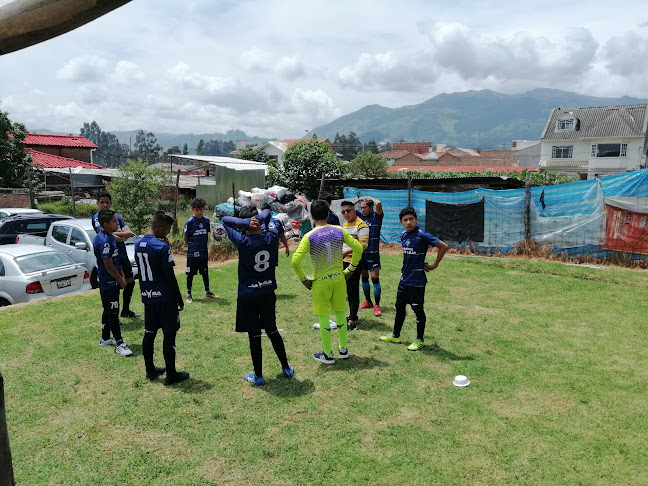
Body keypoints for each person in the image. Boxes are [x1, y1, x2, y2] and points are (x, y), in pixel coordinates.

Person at [222, 207, 294, 386]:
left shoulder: (243, 241)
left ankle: (259, 376)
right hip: (267, 292)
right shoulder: (271, 236)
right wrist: (259, 219)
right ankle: (286, 368)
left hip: (248, 295)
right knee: (272, 329)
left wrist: (245, 222)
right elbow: (269, 211)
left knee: (254, 335)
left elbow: (224, 220)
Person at [291, 200, 364, 364]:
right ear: (329, 212)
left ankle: (327, 354)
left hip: (320, 282)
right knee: (340, 313)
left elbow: (295, 261)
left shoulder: (309, 236)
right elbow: (358, 248)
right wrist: (351, 269)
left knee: (323, 316)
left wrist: (304, 279)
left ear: (311, 216)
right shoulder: (339, 230)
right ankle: (343, 349)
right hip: (339, 278)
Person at [379, 207, 448, 351]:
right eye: (405, 220)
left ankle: (419, 339)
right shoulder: (404, 235)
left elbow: (443, 246)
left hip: (417, 281)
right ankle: (395, 335)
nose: (409, 222)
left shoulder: (422, 234)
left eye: (411, 219)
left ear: (416, 219)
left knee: (418, 310)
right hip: (404, 279)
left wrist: (435, 264)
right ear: (401, 222)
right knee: (399, 307)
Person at [135, 212, 190, 385]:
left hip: (148, 297)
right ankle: (171, 374)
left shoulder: (138, 244)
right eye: (166, 231)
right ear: (160, 228)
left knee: (149, 333)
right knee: (169, 334)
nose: (167, 234)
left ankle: (150, 370)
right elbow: (169, 276)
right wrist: (179, 298)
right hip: (165, 298)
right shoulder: (161, 247)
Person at [92, 192, 139, 319]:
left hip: (122, 253)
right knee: (115, 284)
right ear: (97, 204)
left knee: (130, 281)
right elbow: (112, 237)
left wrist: (121, 235)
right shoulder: (97, 219)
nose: (105, 205)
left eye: (107, 202)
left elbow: (129, 232)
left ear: (111, 203)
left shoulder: (116, 216)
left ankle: (126, 310)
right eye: (102, 202)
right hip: (111, 255)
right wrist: (121, 236)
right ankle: (114, 316)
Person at [93, 209, 132, 357]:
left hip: (111, 281)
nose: (118, 223)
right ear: (106, 224)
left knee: (108, 309)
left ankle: (105, 338)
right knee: (114, 312)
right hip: (108, 283)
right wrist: (121, 280)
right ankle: (120, 343)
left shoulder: (109, 237)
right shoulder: (104, 241)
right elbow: (109, 266)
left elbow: (115, 261)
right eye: (115, 221)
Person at [340, 200, 369, 331]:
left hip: (354, 262)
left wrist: (347, 251)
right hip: (343, 261)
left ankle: (352, 321)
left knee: (352, 290)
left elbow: (363, 245)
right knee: (346, 290)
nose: (345, 213)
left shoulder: (361, 225)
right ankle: (352, 315)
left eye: (348, 211)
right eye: (343, 211)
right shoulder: (345, 224)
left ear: (354, 211)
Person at [353, 196, 384, 317]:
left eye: (365, 207)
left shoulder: (376, 217)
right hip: (362, 253)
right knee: (364, 278)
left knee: (375, 278)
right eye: (361, 208)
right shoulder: (359, 217)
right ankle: (368, 302)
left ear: (371, 207)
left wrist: (369, 197)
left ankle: (377, 305)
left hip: (373, 253)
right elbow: (349, 206)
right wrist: (359, 199)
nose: (363, 209)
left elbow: (379, 203)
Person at [183, 197, 217, 303]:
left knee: (205, 272)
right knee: (190, 274)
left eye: (201, 209)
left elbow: (208, 233)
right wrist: (191, 247)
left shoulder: (206, 221)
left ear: (204, 209)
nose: (199, 212)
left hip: (203, 251)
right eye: (197, 210)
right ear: (192, 210)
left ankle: (207, 292)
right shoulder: (189, 222)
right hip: (192, 252)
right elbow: (185, 237)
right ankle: (189, 294)